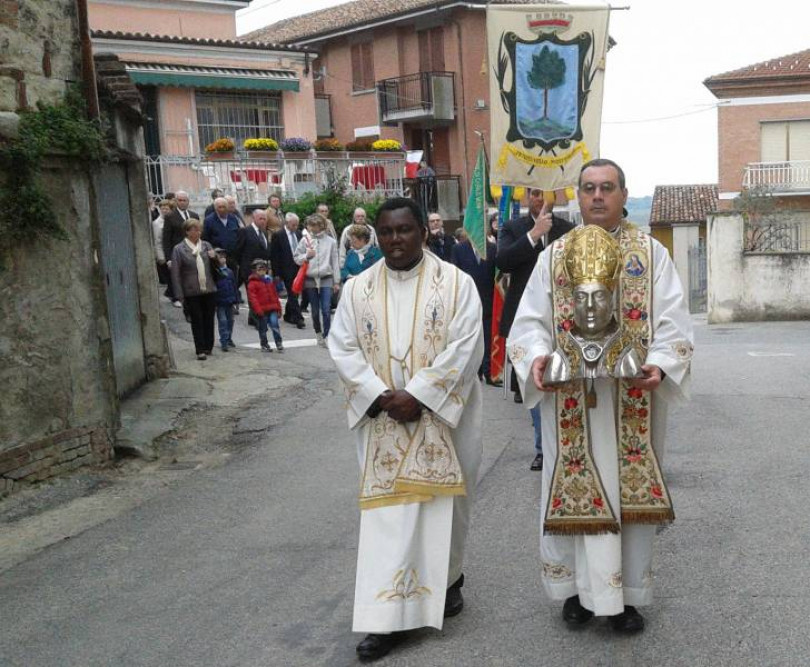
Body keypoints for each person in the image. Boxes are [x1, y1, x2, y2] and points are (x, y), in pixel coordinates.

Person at [507, 158, 694, 634]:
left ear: (623, 194)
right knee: (573, 486)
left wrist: (661, 364)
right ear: (578, 194)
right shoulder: (554, 256)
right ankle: (576, 591)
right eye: (588, 187)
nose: (596, 196)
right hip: (569, 400)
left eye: (606, 187)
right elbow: (530, 321)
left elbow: (674, 320)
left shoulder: (650, 254)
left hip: (633, 401)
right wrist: (536, 358)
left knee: (628, 499)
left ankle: (626, 596)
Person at [329, 197, 484, 662]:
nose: (395, 240)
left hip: (443, 415)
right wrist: (380, 395)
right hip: (382, 419)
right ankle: (388, 618)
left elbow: (466, 346)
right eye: (386, 232)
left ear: (423, 232)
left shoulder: (456, 284)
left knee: (446, 508)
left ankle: (448, 580)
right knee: (388, 516)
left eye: (404, 230)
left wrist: (419, 394)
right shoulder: (356, 289)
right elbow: (342, 346)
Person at [496, 188, 575, 471]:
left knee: (560, 383)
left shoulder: (568, 229)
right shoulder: (513, 228)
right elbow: (502, 261)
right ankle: (543, 448)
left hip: (562, 319)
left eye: (544, 194)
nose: (539, 199)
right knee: (536, 381)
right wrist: (534, 234)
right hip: (525, 319)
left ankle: (566, 444)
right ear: (526, 196)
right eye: (534, 193)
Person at [450, 217, 498, 385]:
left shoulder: (493, 249)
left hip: (488, 300)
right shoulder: (458, 249)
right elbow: (455, 274)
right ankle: (474, 373)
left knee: (488, 339)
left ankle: (489, 372)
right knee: (470, 339)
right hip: (467, 302)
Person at [170, 219, 218, 360]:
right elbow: (175, 273)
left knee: (209, 318)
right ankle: (200, 349)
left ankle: (208, 346)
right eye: (195, 229)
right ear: (187, 232)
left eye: (199, 229)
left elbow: (216, 266)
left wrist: (214, 257)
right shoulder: (179, 249)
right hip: (191, 290)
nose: (198, 232)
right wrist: (179, 295)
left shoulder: (206, 245)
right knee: (197, 320)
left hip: (208, 288)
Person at [294, 213, 340, 347]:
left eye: (314, 226)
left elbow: (335, 261)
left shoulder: (331, 242)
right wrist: (306, 256)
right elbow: (296, 258)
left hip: (326, 277)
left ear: (321, 226)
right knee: (314, 311)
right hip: (310, 278)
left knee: (326, 309)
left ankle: (327, 335)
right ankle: (318, 332)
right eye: (310, 225)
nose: (312, 228)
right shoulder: (305, 240)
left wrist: (336, 281)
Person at [162, 190, 200, 307]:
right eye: (180, 200)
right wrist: (168, 258)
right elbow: (166, 239)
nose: (182, 202)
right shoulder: (170, 217)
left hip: (192, 250)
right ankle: (176, 297)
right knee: (177, 275)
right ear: (176, 201)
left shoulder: (194, 215)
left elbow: (198, 233)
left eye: (184, 200)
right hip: (177, 251)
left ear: (188, 201)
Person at [270, 212, 306, 329]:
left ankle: (288, 314)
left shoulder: (299, 234)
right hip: (286, 268)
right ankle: (299, 318)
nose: (295, 227)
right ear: (287, 223)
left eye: (297, 225)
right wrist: (276, 273)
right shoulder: (278, 235)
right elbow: (274, 256)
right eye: (293, 225)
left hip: (298, 267)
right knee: (292, 292)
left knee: (295, 293)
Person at [246, 259, 284, 353]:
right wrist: (258, 310)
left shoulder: (269, 281)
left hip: (272, 308)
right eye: (259, 269)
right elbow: (253, 298)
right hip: (262, 310)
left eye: (264, 269)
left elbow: (275, 296)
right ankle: (264, 344)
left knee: (275, 325)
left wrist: (279, 308)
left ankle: (278, 342)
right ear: (254, 271)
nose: (262, 271)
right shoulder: (252, 283)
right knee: (262, 328)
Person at [213, 249, 238, 351]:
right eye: (220, 257)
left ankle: (228, 338)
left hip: (230, 301)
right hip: (220, 302)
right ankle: (224, 341)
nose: (223, 259)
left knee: (230, 321)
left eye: (224, 257)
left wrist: (236, 300)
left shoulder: (230, 272)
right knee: (223, 321)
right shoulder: (215, 272)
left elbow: (234, 286)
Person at [152, 199, 174, 292]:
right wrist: (160, 256)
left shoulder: (172, 220)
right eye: (162, 209)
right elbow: (157, 241)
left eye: (167, 209)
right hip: (164, 253)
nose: (164, 211)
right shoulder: (157, 223)